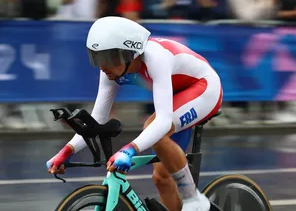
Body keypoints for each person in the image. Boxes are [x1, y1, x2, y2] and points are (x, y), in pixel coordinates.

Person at [46, 16, 223, 211]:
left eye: (108, 58)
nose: (102, 66)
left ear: (130, 53)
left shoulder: (156, 57)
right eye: (97, 58)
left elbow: (163, 122)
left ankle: (194, 201)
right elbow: (97, 120)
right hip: (176, 97)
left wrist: (128, 150)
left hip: (204, 88)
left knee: (152, 126)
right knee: (161, 178)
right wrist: (67, 151)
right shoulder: (110, 70)